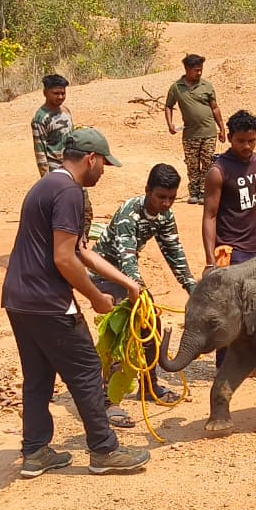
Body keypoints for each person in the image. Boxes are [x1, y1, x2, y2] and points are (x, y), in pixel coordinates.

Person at [1, 128, 150, 478]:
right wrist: (96, 297)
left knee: (37, 376)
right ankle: (104, 450)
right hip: (48, 300)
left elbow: (83, 251)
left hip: (19, 298)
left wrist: (127, 283)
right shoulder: (70, 191)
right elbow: (65, 259)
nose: (103, 172)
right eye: (103, 165)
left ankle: (35, 451)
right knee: (84, 369)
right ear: (90, 159)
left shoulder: (47, 185)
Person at [90, 163, 198, 428]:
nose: (166, 203)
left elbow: (174, 251)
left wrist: (192, 288)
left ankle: (148, 386)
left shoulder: (164, 216)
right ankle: (109, 400)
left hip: (127, 276)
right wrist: (138, 291)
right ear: (148, 190)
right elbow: (127, 258)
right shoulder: (130, 214)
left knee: (152, 326)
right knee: (122, 334)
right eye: (161, 196)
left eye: (172, 198)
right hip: (106, 274)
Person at [203, 110, 256, 367]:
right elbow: (210, 216)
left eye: (251, 141)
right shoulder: (218, 170)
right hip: (232, 251)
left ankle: (252, 363)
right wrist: (211, 260)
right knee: (230, 311)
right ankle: (225, 365)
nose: (246, 146)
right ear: (230, 138)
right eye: (240, 141)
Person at [30, 73, 92, 239]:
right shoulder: (40, 118)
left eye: (63, 93)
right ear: (45, 93)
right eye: (55, 93)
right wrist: (47, 181)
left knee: (84, 212)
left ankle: (79, 249)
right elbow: (40, 151)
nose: (60, 97)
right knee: (61, 216)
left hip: (75, 169)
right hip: (57, 172)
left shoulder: (65, 111)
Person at [165, 54, 227, 204]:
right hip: (190, 135)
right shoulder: (176, 88)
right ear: (187, 69)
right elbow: (168, 106)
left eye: (201, 70)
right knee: (192, 165)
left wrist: (222, 129)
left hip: (208, 133)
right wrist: (170, 124)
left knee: (208, 165)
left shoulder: (207, 86)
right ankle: (194, 193)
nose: (199, 73)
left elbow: (215, 108)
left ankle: (205, 193)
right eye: (196, 70)